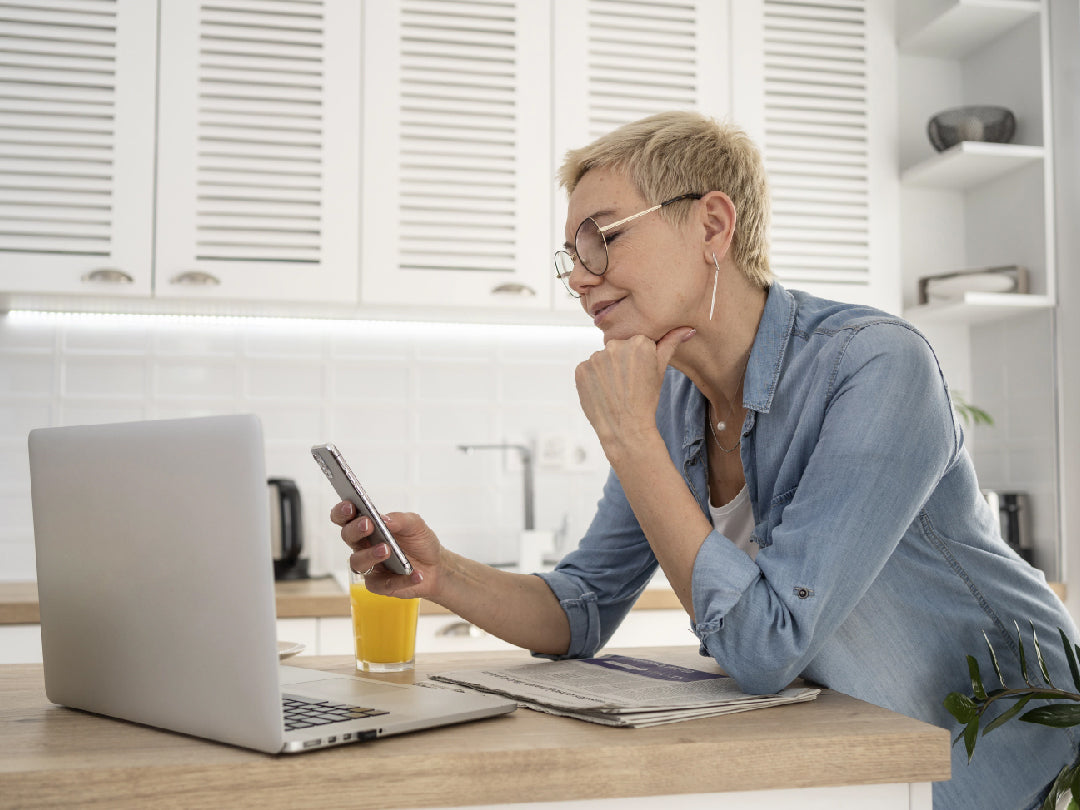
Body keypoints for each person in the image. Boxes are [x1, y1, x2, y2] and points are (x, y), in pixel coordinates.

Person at [333, 111, 1078, 809]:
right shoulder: (671, 402)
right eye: (572, 255)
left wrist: (629, 441)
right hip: (867, 760)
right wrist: (443, 574)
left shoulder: (876, 365)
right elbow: (582, 608)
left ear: (713, 224)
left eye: (603, 238)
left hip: (1016, 763)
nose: (580, 277)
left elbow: (767, 647)